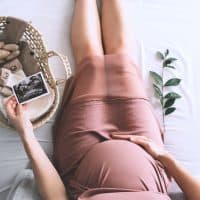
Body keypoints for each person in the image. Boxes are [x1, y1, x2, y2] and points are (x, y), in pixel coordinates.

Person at [5, 0, 200, 200]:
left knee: (89, 59)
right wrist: (163, 157)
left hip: (83, 156)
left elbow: (57, 197)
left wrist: (26, 132)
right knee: (122, 58)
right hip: (146, 152)